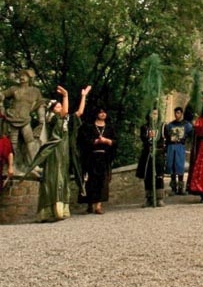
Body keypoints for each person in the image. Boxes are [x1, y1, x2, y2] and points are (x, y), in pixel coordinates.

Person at [26, 85, 90, 222]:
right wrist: (65, 95)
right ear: (52, 109)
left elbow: (79, 112)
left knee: (63, 177)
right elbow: (65, 113)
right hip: (54, 151)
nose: (61, 108)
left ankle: (61, 210)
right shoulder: (51, 119)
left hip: (65, 151)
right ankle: (49, 211)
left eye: (61, 106)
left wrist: (84, 96)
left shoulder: (66, 120)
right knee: (54, 178)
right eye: (58, 106)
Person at [0, 69, 45, 171]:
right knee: (13, 143)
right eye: (20, 75)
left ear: (29, 78)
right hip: (12, 118)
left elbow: (40, 105)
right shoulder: (14, 89)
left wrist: (41, 118)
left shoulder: (35, 91)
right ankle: (13, 164)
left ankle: (34, 164)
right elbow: (3, 94)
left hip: (25, 119)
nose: (22, 77)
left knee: (30, 141)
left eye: (24, 75)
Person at [78, 105, 117, 215]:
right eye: (100, 112)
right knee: (90, 181)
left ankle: (98, 205)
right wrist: (95, 141)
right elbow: (83, 140)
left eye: (104, 112)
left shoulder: (109, 128)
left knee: (102, 181)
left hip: (104, 157)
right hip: (91, 157)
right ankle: (89, 204)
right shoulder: (89, 127)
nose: (102, 114)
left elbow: (115, 141)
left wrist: (107, 141)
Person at [136, 109, 165, 207]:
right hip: (148, 153)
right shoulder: (144, 127)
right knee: (148, 176)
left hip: (159, 153)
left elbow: (167, 139)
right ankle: (148, 198)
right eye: (152, 113)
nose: (154, 115)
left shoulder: (163, 126)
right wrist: (149, 137)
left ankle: (159, 198)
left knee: (159, 176)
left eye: (156, 113)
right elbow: (143, 138)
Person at [163, 107, 193, 195]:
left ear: (182, 113)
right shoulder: (170, 125)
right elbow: (166, 135)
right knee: (171, 166)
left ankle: (180, 188)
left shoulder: (186, 125)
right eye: (176, 113)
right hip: (171, 146)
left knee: (180, 166)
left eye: (179, 113)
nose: (177, 115)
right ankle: (173, 187)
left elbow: (191, 134)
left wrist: (186, 142)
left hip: (180, 146)